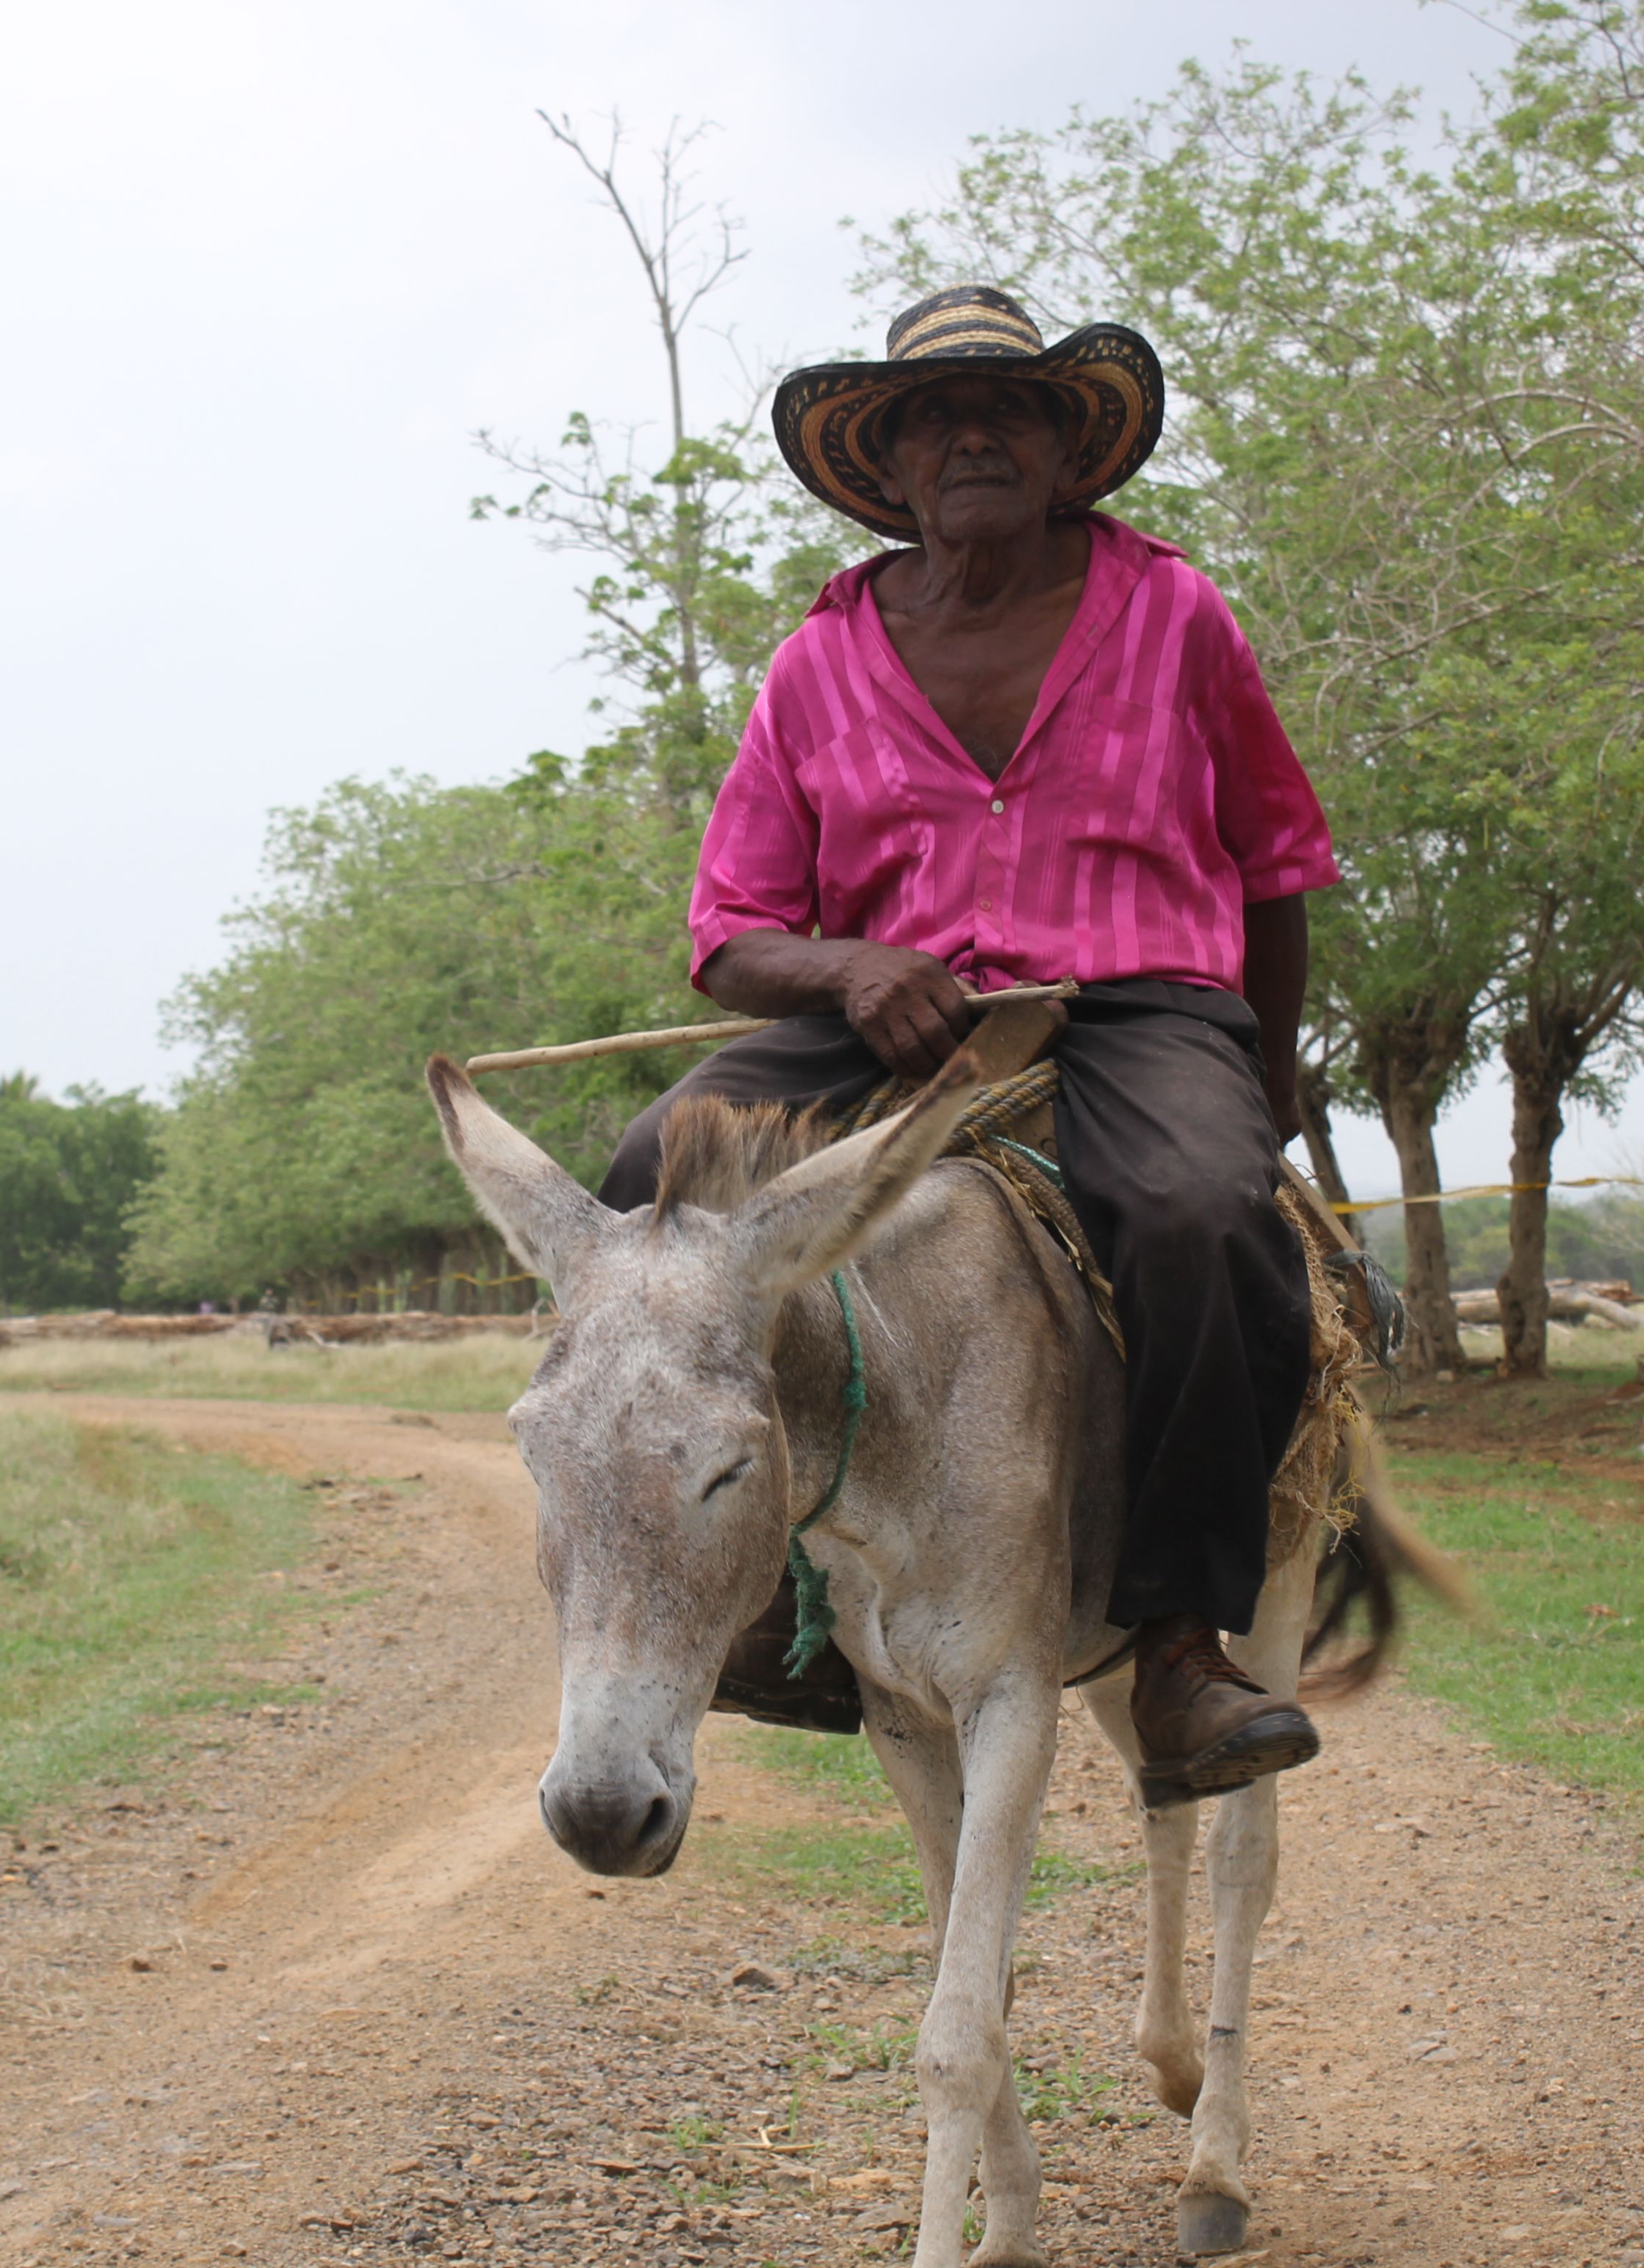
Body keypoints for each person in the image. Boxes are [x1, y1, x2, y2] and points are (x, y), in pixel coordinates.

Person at [601, 285, 1341, 1804]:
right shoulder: (821, 659)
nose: (974, 435)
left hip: (1137, 1005)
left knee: (1203, 1215)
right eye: (935, 416)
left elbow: (1275, 864)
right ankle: (762, 1604)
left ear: (1074, 449)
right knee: (646, 1182)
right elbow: (732, 929)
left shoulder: (1175, 612)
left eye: (1012, 407)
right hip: (886, 1017)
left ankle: (1183, 1641)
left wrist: (1258, 1100)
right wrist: (856, 966)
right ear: (889, 464)